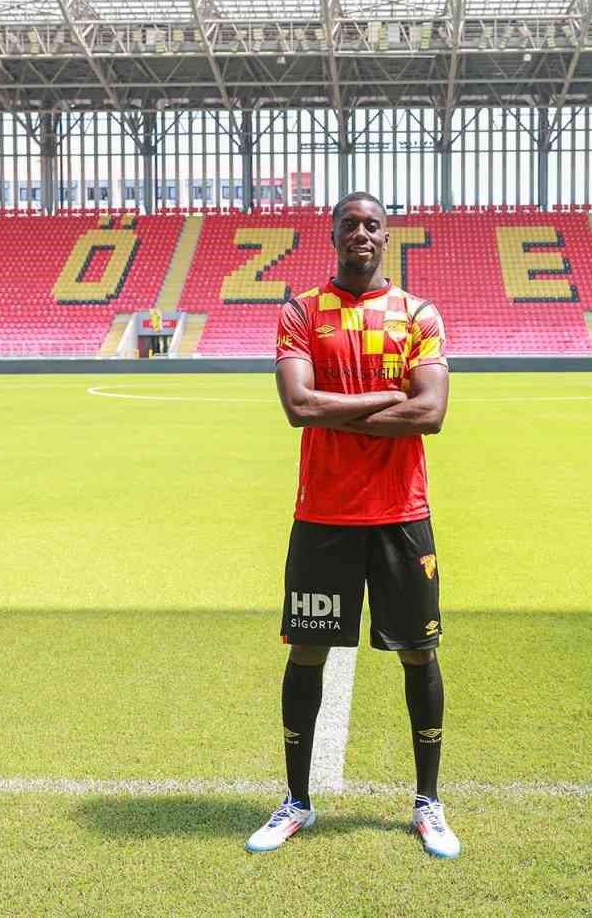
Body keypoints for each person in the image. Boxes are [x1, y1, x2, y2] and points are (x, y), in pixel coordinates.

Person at [245, 191, 457, 859]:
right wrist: (387, 397)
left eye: (371, 225)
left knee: (419, 653)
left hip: (401, 515)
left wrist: (338, 408)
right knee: (307, 652)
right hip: (324, 517)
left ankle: (428, 801)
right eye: (349, 224)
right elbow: (297, 407)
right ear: (333, 235)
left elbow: (430, 414)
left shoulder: (418, 314)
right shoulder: (302, 312)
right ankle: (296, 800)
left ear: (386, 237)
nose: (360, 233)